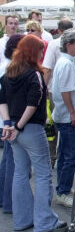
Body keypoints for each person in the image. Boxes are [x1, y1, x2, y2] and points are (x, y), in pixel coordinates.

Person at [0, 34, 67, 232]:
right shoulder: (33, 75)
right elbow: (34, 102)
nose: (42, 53)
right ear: (34, 51)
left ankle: (22, 219)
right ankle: (45, 222)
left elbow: (2, 100)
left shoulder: (8, 74)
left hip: (12, 129)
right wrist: (19, 125)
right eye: (40, 50)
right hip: (29, 128)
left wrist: (8, 125)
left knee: (20, 173)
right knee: (43, 173)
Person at [51, 30, 75, 208]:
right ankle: (63, 191)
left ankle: (63, 188)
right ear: (68, 45)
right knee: (71, 156)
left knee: (66, 154)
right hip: (67, 117)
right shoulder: (65, 63)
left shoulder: (67, 62)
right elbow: (65, 91)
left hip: (66, 116)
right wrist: (73, 113)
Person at [0, 34, 25, 214]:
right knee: (13, 163)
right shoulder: (9, 68)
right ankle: (8, 201)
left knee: (9, 160)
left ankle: (4, 198)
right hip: (10, 120)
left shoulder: (7, 67)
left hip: (7, 120)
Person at [42, 17, 75, 85]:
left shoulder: (53, 44)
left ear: (59, 30)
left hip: (56, 87)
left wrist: (44, 89)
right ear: (72, 28)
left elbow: (48, 70)